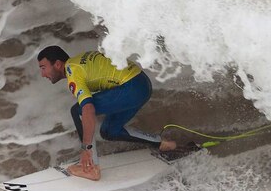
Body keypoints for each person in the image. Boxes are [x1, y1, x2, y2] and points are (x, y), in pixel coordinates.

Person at [37, 45, 187, 180]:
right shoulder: (79, 60)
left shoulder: (73, 72)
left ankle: (91, 168)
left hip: (131, 87)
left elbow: (88, 109)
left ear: (57, 64)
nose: (42, 74)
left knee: (78, 110)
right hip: (142, 84)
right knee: (109, 131)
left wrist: (86, 148)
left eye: (43, 68)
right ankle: (163, 144)